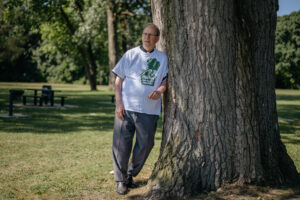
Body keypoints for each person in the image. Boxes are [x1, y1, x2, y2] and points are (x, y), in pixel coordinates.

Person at [112, 23, 168, 195]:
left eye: (151, 35)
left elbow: (165, 81)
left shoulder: (162, 58)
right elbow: (118, 81)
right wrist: (119, 103)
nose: (147, 38)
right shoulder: (130, 54)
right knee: (121, 145)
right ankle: (121, 180)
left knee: (146, 145)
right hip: (127, 108)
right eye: (145, 34)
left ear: (157, 38)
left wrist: (159, 91)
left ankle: (130, 174)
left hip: (149, 110)